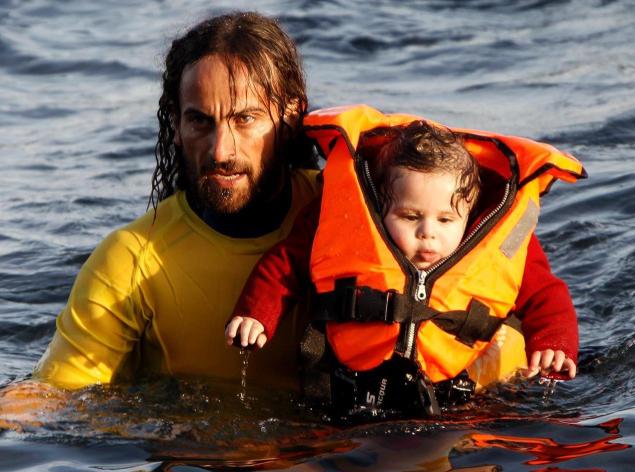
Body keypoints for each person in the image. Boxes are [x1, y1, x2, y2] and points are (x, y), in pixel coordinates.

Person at [27, 11, 321, 392]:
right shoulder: (131, 261)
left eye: (245, 119)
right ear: (177, 126)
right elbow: (54, 397)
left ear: (291, 115)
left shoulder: (354, 215)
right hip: (192, 451)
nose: (220, 151)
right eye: (200, 121)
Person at [225, 108, 583, 416]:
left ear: (469, 214)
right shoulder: (345, 224)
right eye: (411, 217)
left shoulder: (496, 242)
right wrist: (257, 314)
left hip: (463, 399)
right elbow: (286, 263)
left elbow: (546, 294)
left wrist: (554, 344)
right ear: (382, 206)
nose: (428, 233)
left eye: (445, 220)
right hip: (349, 393)